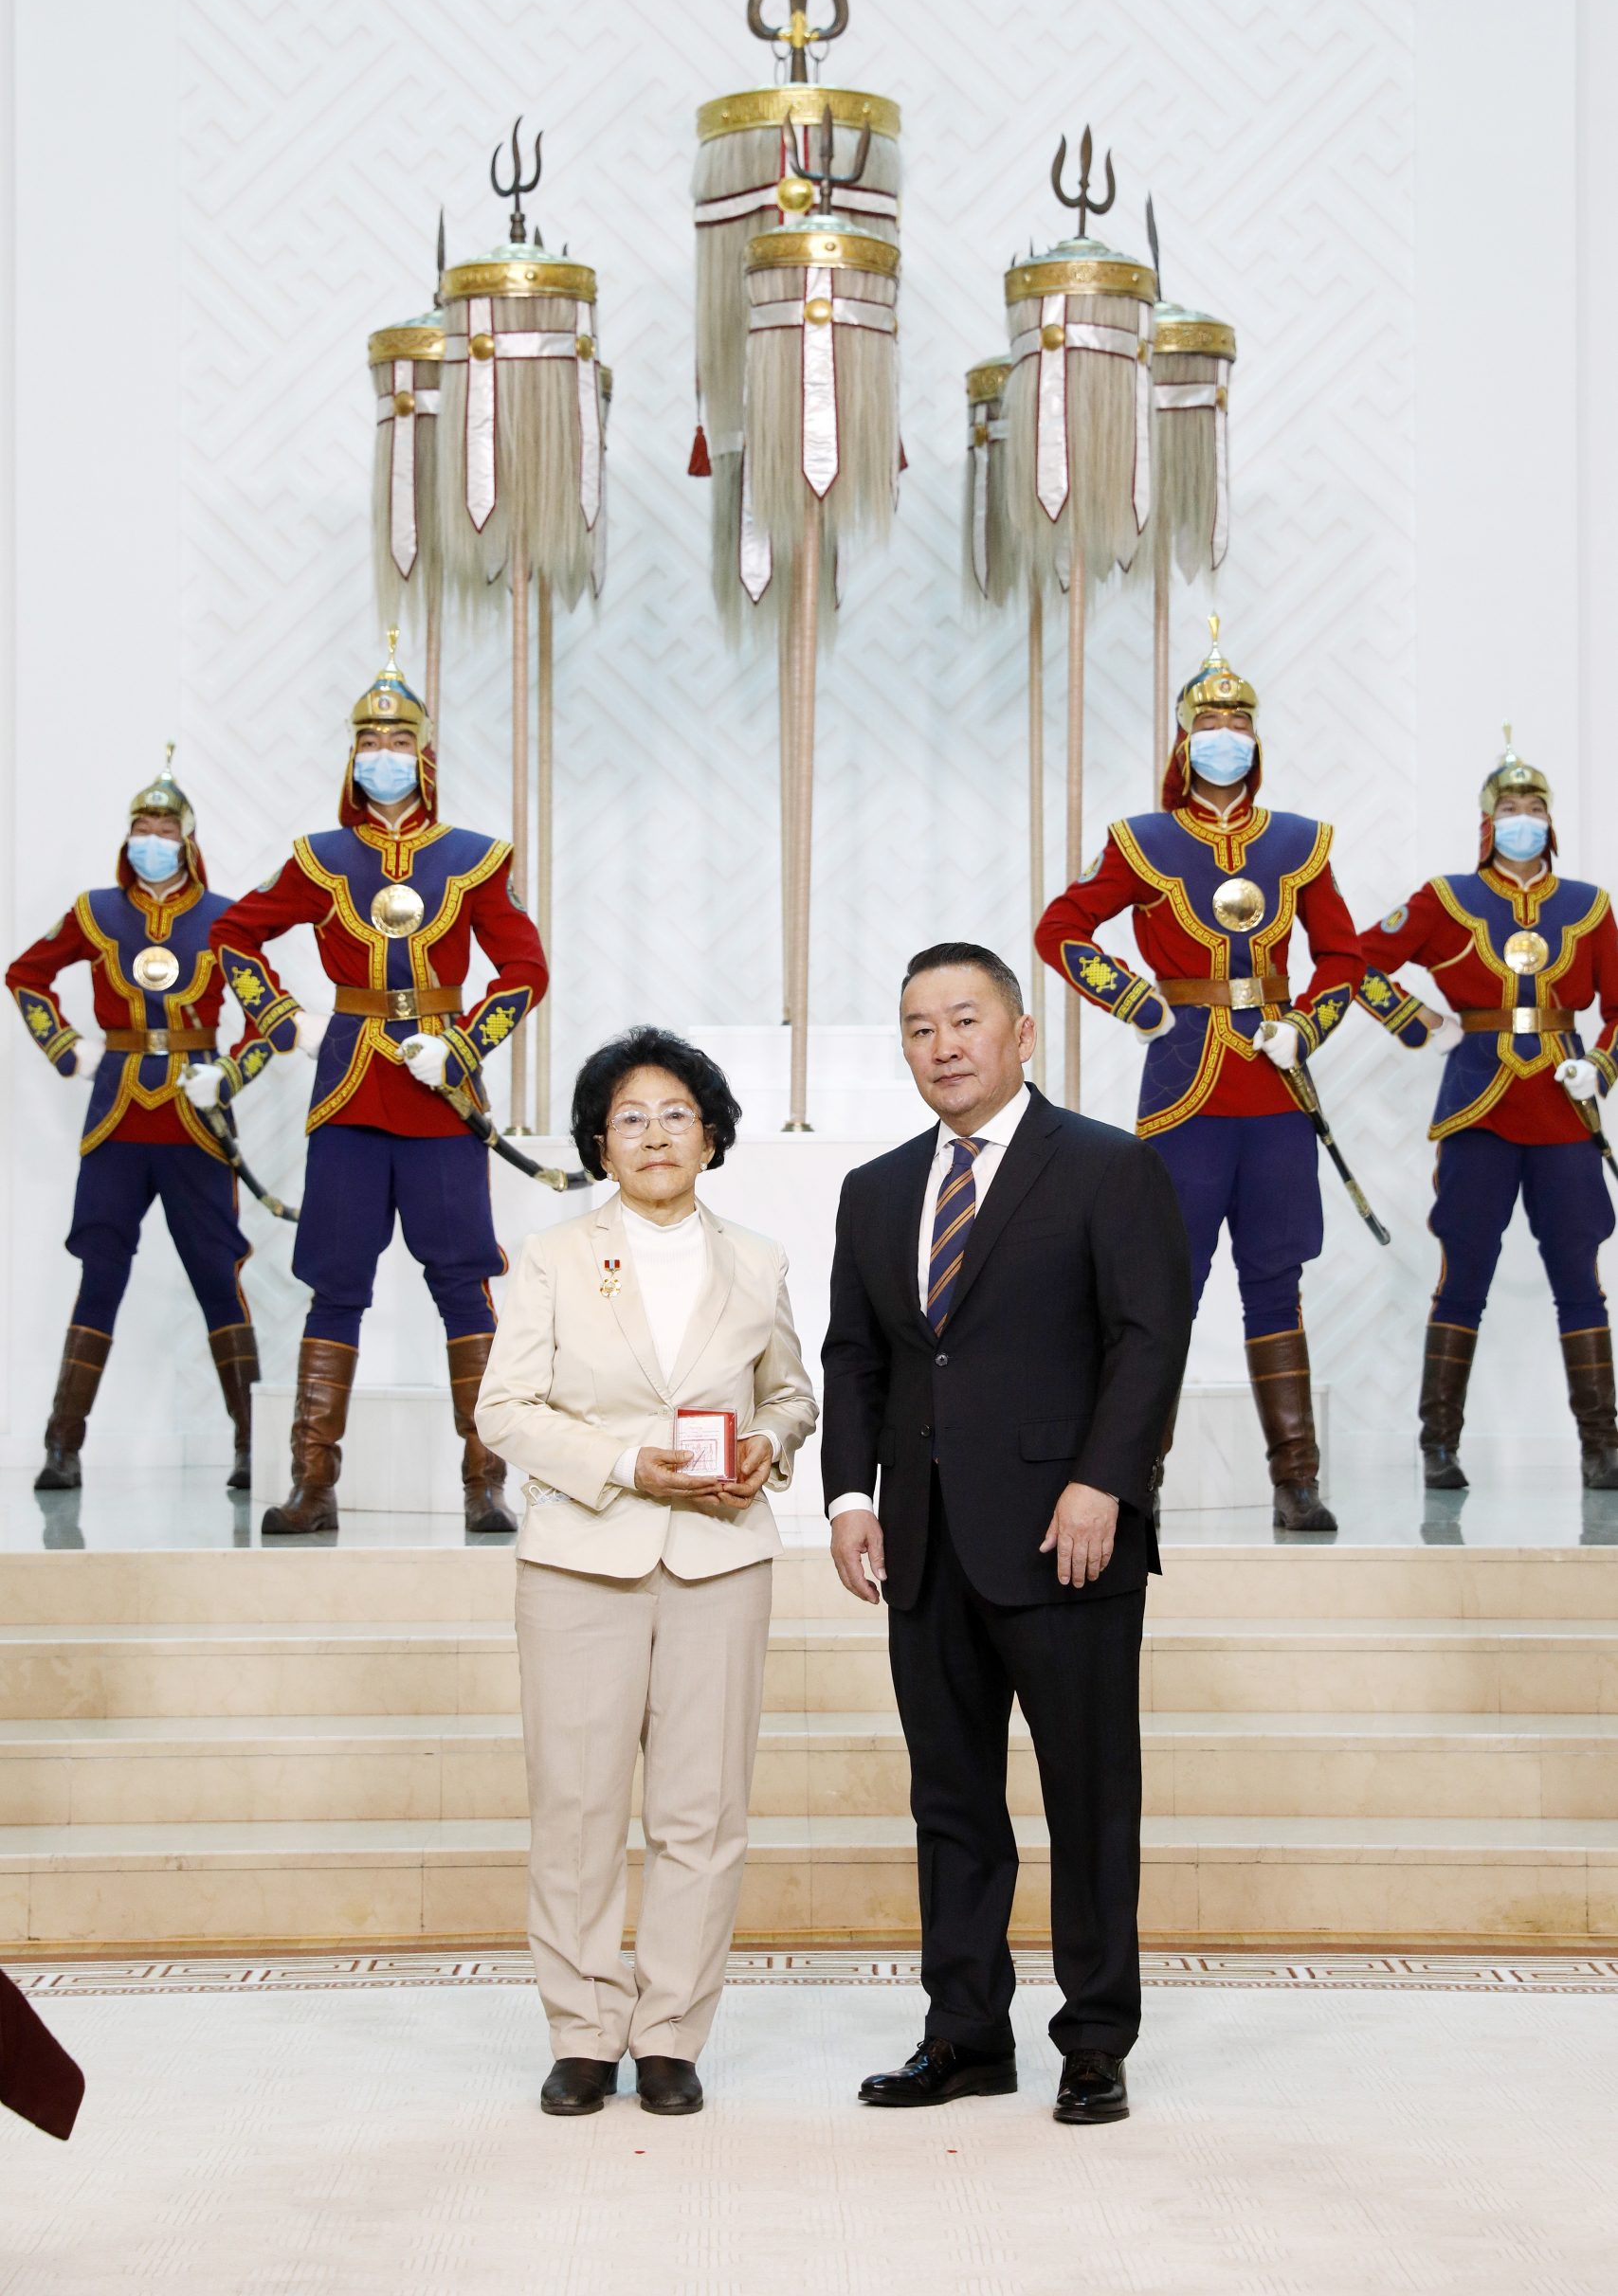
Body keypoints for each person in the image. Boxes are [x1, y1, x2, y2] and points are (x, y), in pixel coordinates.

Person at [822, 946, 1190, 2125]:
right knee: (951, 1801)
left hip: (1067, 1536)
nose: (944, 1045)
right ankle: (966, 2032)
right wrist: (850, 1495)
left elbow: (1149, 1338)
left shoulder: (1107, 1165)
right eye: (919, 1026)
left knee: (1090, 1795)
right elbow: (857, 1357)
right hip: (924, 1543)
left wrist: (1105, 1483)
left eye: (965, 1020)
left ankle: (1096, 2038)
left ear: (1022, 1034)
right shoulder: (877, 1189)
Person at [476, 1029, 817, 2121]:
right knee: (576, 1804)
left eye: (677, 1114)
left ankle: (670, 2032)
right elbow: (503, 1409)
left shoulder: (757, 1259)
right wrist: (626, 1464)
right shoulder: (553, 1256)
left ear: (711, 1135)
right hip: (582, 1556)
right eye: (630, 1117)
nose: (655, 1134)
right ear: (599, 1143)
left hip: (721, 1555)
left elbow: (790, 1394)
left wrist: (769, 1442)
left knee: (701, 1809)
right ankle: (583, 2032)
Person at [209, 636, 547, 1535]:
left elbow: (525, 970)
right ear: (351, 755)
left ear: (423, 755)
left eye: (398, 740)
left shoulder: (474, 857)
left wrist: (462, 1046)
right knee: (336, 1285)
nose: (383, 754)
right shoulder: (319, 857)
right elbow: (234, 934)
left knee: (462, 1284)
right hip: (349, 1092)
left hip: (439, 1096)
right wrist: (280, 1017)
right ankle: (312, 1485)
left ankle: (484, 1483)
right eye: (369, 740)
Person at [1034, 619, 1365, 1531]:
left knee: (1275, 1280)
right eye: (1210, 722)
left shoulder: (1301, 841)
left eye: (1240, 722)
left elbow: (1343, 958)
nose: (1226, 736)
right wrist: (1134, 1002)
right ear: (1184, 740)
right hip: (1184, 1089)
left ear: (1256, 739)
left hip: (1275, 1089)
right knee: (1160, 1290)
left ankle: (1295, 1479)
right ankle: (1135, 1473)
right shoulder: (1141, 839)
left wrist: (1307, 1023)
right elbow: (1059, 929)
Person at [7, 750, 273, 1495]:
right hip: (117, 1115)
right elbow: (26, 975)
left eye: (165, 829)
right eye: (141, 828)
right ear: (127, 837)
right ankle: (62, 1446)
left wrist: (231, 1072)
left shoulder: (226, 919)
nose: (152, 840)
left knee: (217, 1274)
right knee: (100, 1271)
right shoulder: (95, 912)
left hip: (195, 1115)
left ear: (188, 840)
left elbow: (269, 1017)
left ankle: (251, 1445)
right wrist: (66, 1048)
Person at [1355, 734, 1618, 1491]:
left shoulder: (1588, 906)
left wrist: (1600, 1065)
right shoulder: (1446, 900)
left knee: (1578, 1273)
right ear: (1486, 820)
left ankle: (1602, 1446)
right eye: (1508, 808)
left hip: (1563, 1110)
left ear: (1550, 819)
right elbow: (1355, 960)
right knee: (1463, 1271)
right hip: (1477, 1105)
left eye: (1533, 806)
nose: (1521, 819)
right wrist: (1416, 1022)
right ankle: (1437, 1444)